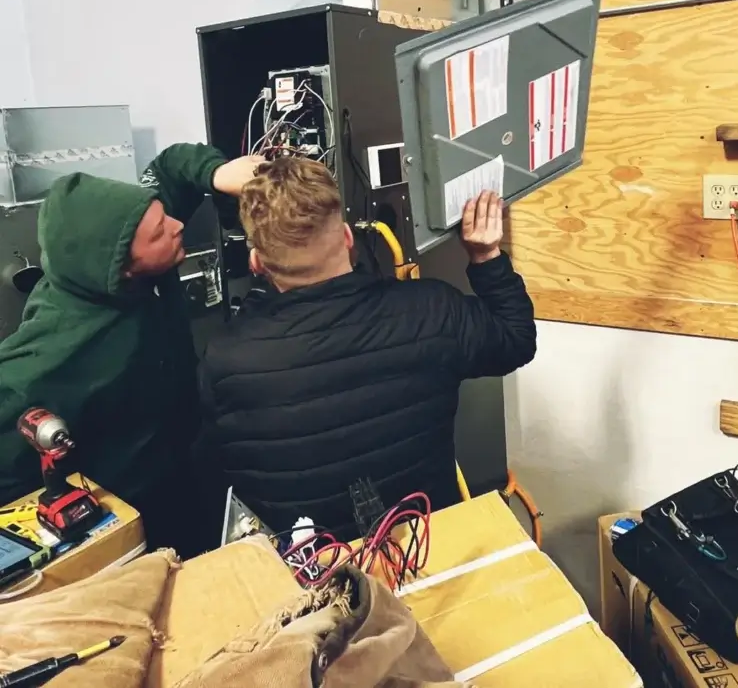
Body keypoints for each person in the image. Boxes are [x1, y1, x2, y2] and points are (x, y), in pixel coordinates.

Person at [199, 157, 537, 540]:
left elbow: (218, 466)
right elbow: (516, 339)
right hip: (426, 551)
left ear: (256, 262)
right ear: (346, 237)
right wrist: (485, 254)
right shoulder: (430, 309)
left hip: (316, 581)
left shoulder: (226, 358)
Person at [0, 144, 262, 557]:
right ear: (122, 266)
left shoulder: (131, 231)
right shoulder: (53, 352)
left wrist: (220, 173)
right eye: (160, 232)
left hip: (189, 472)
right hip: (134, 517)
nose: (178, 226)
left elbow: (172, 168)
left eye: (163, 215)